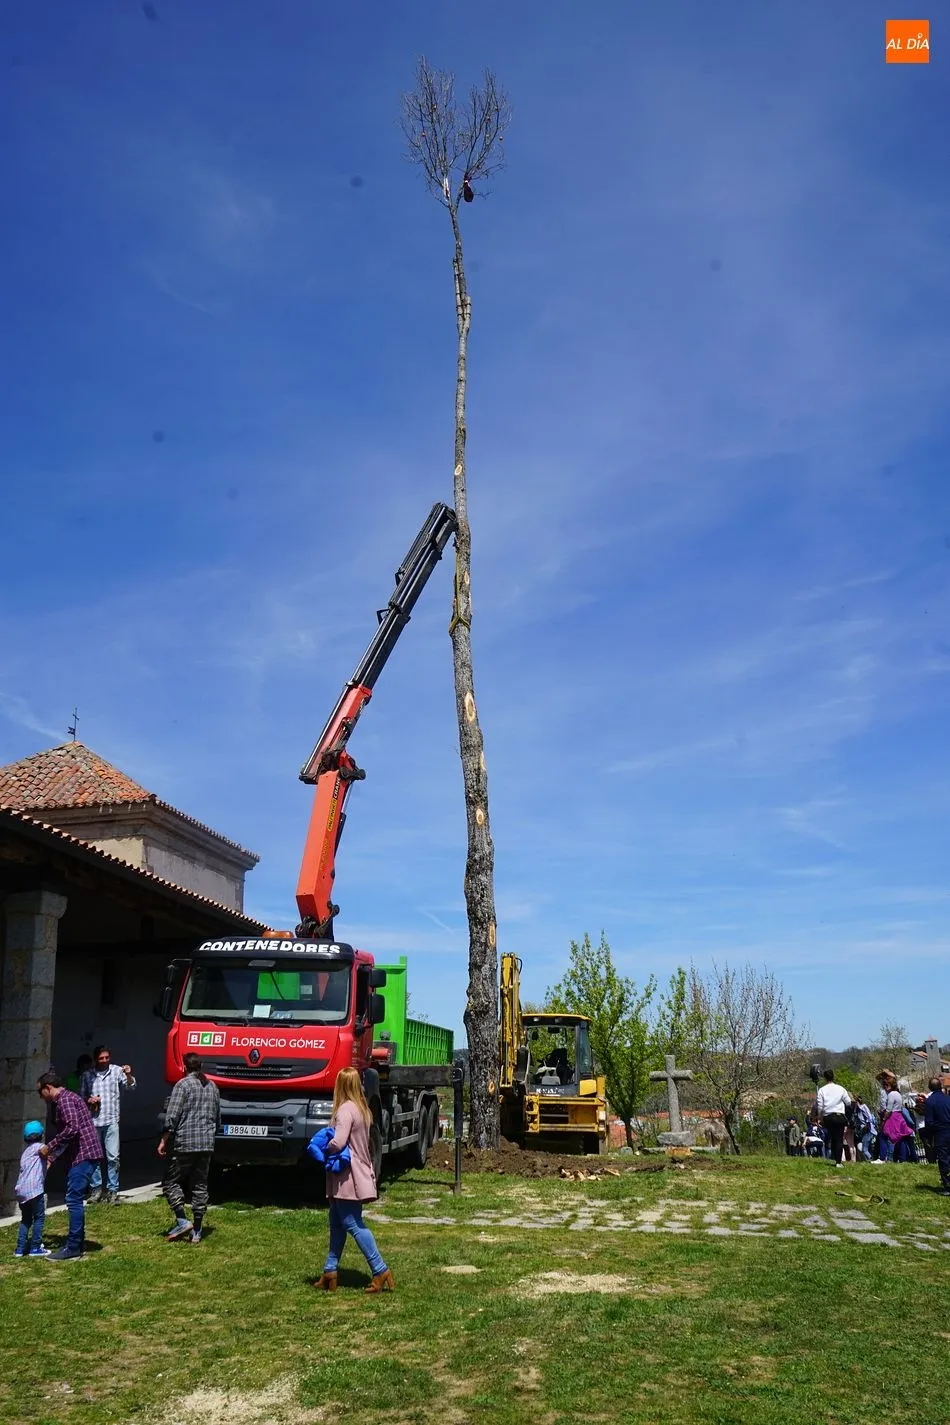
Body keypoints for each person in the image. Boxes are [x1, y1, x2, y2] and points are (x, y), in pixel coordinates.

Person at [314, 1067, 393, 1294]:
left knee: (352, 1223)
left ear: (340, 1085)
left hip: (347, 1176)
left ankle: (380, 1269)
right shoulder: (362, 1109)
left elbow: (338, 1142)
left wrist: (320, 1145)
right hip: (355, 1172)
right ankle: (330, 1271)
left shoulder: (345, 1110)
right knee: (336, 1222)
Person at [37, 1070, 102, 1259]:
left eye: (40, 1092)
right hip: (83, 1154)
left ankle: (73, 1248)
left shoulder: (64, 1100)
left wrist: (49, 1147)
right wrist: (53, 1157)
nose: (41, 1097)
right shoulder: (69, 1097)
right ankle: (77, 1243)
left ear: (48, 1088)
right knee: (75, 1198)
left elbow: (72, 1129)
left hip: (84, 1154)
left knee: (73, 1199)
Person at [158, 1052, 220, 1245]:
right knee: (200, 1184)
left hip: (185, 1143)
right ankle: (198, 1230)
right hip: (206, 1143)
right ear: (200, 1067)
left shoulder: (182, 1085)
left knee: (170, 1182)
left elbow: (172, 1116)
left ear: (184, 1067)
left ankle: (182, 1220)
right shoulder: (212, 1087)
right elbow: (218, 1117)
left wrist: (164, 1139)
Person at [81, 1044, 135, 1204]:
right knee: (94, 1157)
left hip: (111, 1120)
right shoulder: (87, 1075)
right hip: (93, 1121)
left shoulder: (116, 1071)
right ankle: (96, 1189)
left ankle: (112, 1190)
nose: (104, 1060)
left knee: (113, 1157)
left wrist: (129, 1074)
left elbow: (131, 1086)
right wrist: (90, 1100)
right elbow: (81, 1096)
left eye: (107, 1057)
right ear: (95, 1059)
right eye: (101, 1058)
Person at [14, 1120, 50, 1258]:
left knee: (26, 1219)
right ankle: (35, 1247)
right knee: (39, 1218)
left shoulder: (25, 1152)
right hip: (34, 1190)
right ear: (41, 1135)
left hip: (22, 1191)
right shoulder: (40, 1147)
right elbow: (45, 1152)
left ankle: (19, 1248)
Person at [816, 1068, 851, 1167]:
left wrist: (820, 1118)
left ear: (825, 1078)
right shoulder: (841, 1088)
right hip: (839, 1116)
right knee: (839, 1139)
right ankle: (838, 1162)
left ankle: (834, 1157)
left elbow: (820, 1106)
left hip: (828, 1117)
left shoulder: (822, 1090)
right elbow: (848, 1102)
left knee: (832, 1138)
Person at [924, 1079, 950, 1196]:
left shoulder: (930, 1101)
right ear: (940, 1086)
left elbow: (929, 1122)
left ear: (930, 1087)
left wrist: (929, 1136)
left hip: (941, 1133)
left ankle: (947, 1185)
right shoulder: (948, 1098)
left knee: (944, 1158)